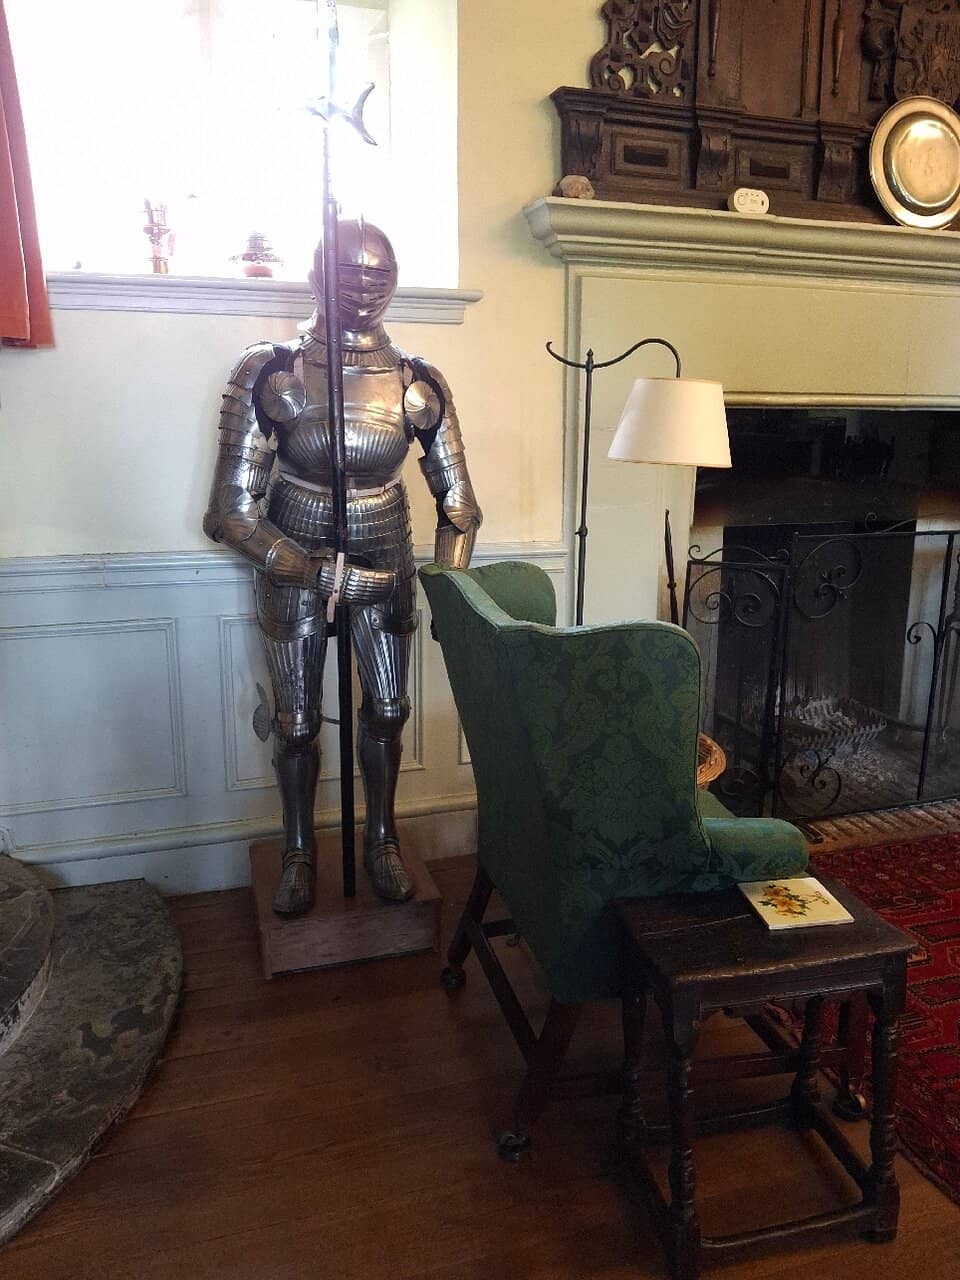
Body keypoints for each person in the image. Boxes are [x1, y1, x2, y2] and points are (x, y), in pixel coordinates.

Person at [203, 219, 482, 914]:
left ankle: (381, 837)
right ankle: (299, 849)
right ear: (316, 274)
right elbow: (229, 511)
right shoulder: (271, 370)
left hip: (386, 547)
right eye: (350, 274)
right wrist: (310, 570)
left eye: (378, 276)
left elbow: (458, 505)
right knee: (297, 721)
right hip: (295, 549)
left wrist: (447, 591)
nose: (364, 289)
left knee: (387, 711)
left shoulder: (417, 380)